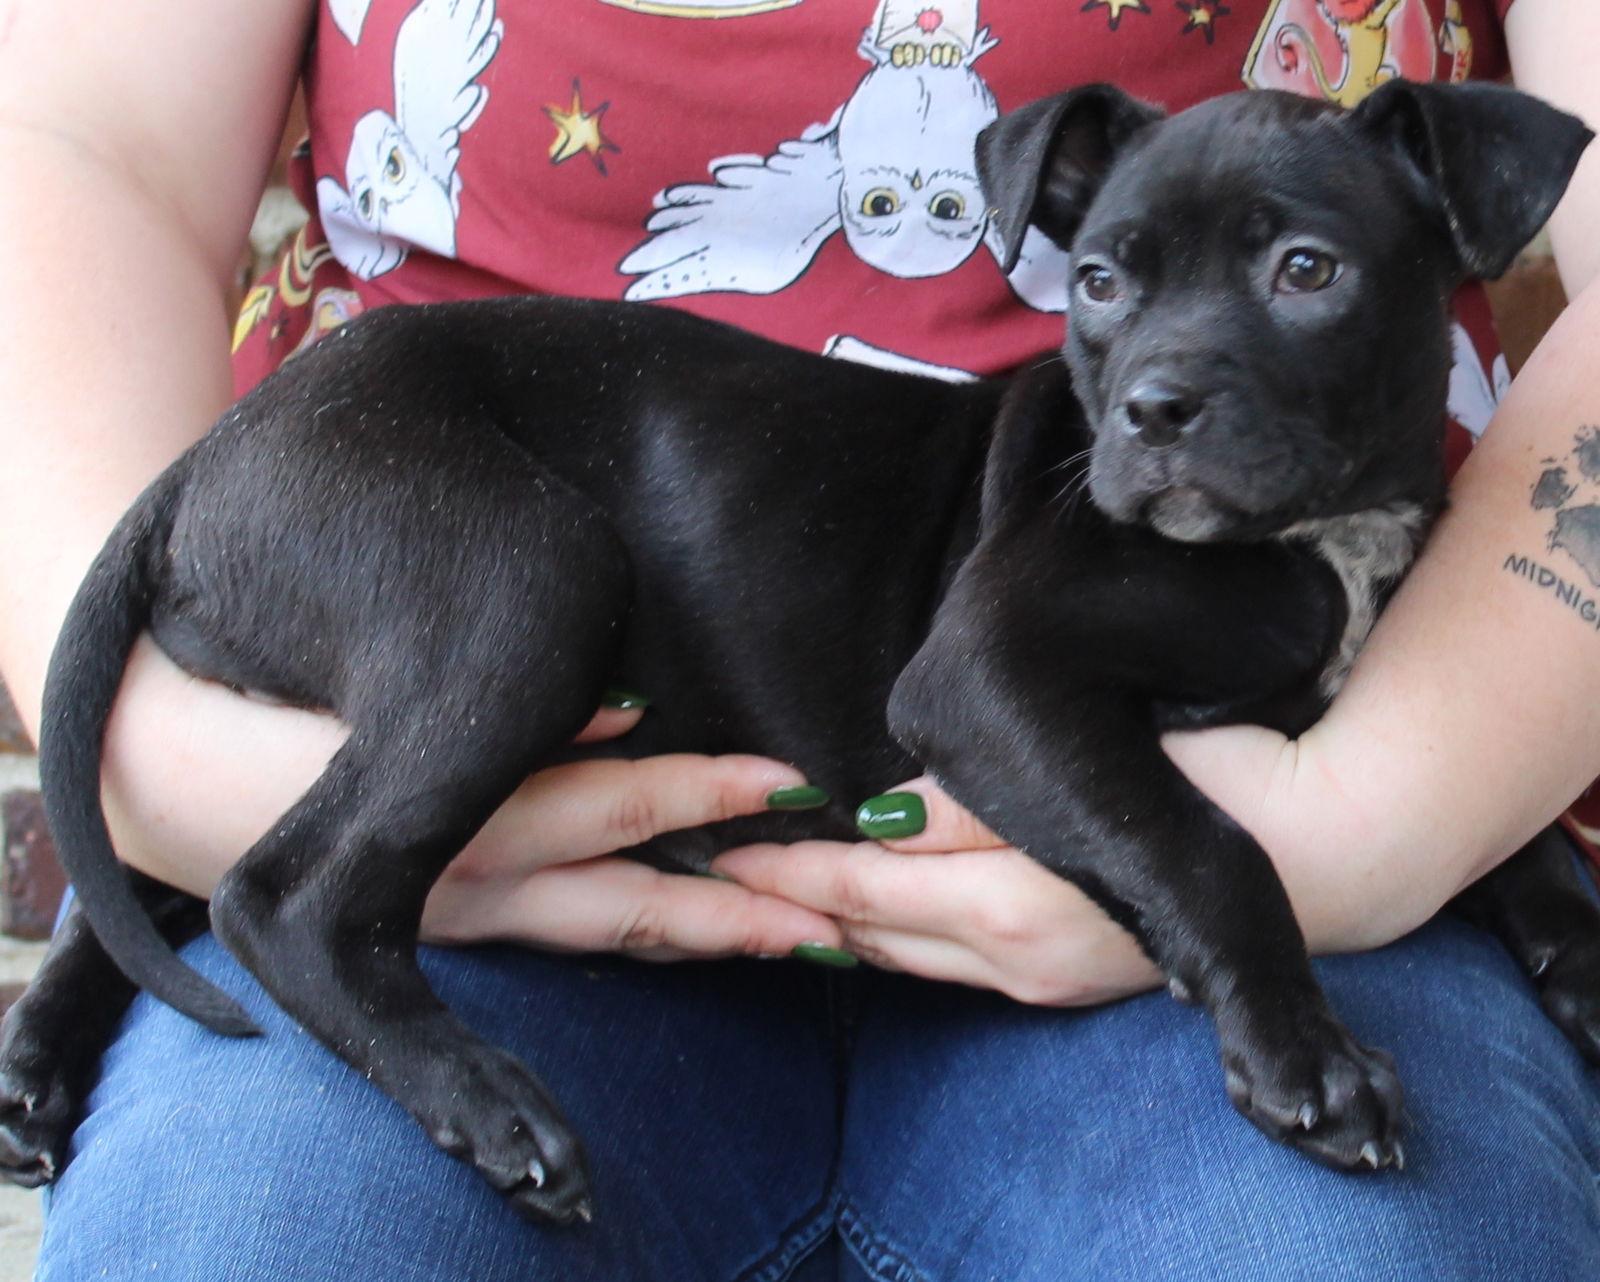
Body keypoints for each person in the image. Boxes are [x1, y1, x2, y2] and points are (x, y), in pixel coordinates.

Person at [2, 0, 1599, 1276]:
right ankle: (280, 926)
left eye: (1299, 269)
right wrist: (173, 773)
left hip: (1354, 807)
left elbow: (1286, 714)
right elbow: (76, 145)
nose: (1166, 375)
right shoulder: (1083, 517)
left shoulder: (1301, 568)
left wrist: (1397, 823)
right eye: (1115, 283)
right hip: (459, 676)